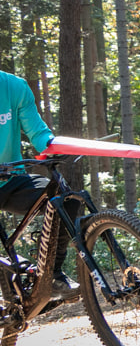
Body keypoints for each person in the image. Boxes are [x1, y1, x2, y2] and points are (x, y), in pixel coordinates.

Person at [0, 71, 79, 300]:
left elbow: (38, 132)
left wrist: (55, 146)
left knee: (66, 200)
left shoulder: (14, 87)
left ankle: (51, 275)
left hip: (12, 179)